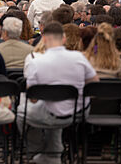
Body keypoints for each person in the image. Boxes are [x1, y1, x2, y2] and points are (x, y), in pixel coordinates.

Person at [19, 21, 98, 164]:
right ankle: (52, 152)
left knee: (23, 111)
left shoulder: (36, 62)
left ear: (43, 39)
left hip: (54, 113)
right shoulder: (79, 58)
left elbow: (33, 98)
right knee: (52, 104)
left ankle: (39, 149)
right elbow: (94, 84)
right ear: (63, 39)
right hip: (78, 112)